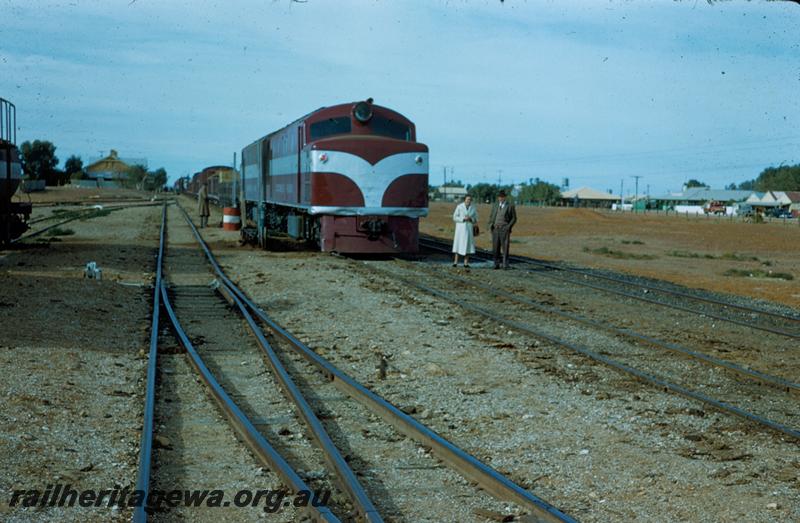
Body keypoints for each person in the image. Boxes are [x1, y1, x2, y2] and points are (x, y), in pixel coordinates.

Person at [488, 190, 517, 269]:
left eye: (502, 197)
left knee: (505, 248)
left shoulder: (510, 206)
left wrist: (508, 227)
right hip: (495, 229)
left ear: (505, 197)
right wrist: (491, 225)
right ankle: (496, 264)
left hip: (504, 229)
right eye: (499, 197)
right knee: (495, 248)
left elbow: (514, 218)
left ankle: (505, 264)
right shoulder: (495, 205)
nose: (500, 198)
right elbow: (491, 216)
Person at [452, 195, 478, 268]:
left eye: (470, 199)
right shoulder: (459, 206)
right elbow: (454, 217)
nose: (468, 201)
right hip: (460, 229)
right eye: (467, 199)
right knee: (458, 245)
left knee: (468, 246)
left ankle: (466, 263)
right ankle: (455, 262)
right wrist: (463, 219)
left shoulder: (473, 208)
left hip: (469, 229)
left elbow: (476, 218)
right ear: (465, 200)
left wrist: (471, 219)